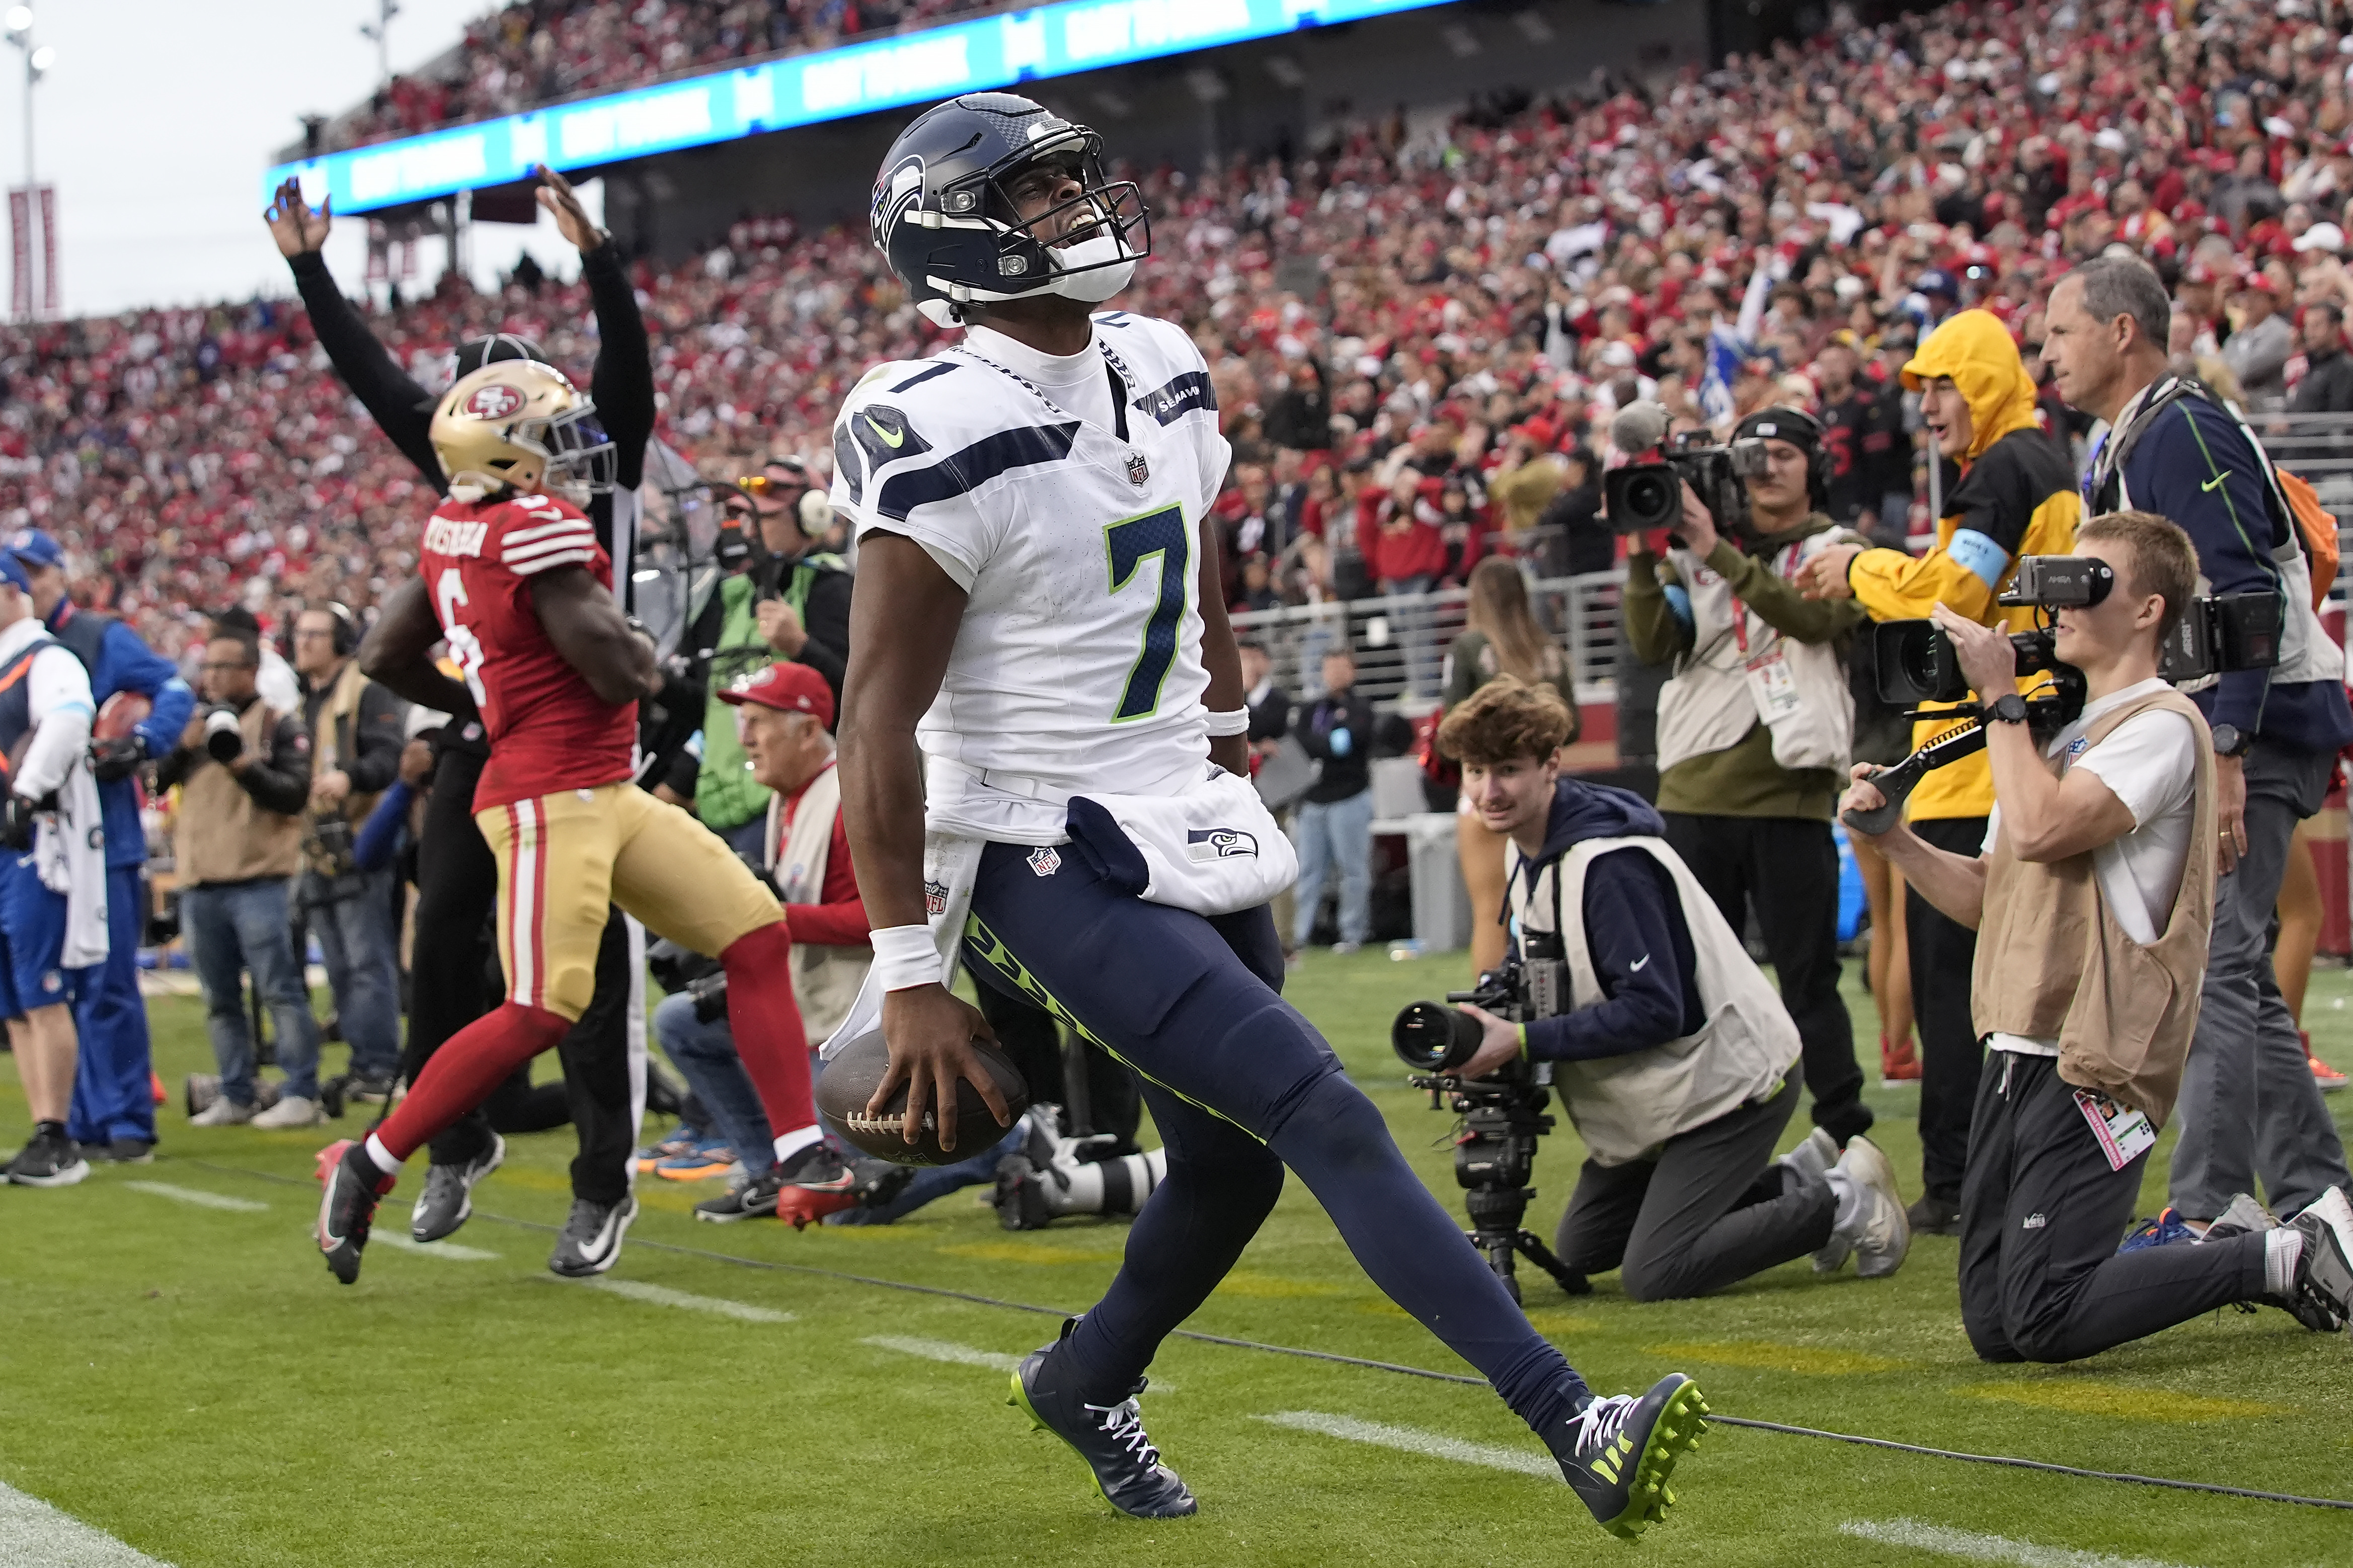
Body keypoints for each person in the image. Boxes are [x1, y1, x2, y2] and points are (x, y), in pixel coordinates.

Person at [832, 92, 1705, 1536]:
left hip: (1184, 796)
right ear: (959, 241)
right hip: (1036, 833)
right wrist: (911, 970)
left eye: (1078, 185)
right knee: (1317, 1100)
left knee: (1232, 1162)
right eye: (1040, 199)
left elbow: (1201, 575)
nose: (1082, 214)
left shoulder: (1162, 363)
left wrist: (1231, 742)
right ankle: (1573, 1418)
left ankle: (1084, 1377)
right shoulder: (932, 422)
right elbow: (876, 715)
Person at [314, 360, 841, 1287]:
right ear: (508, 455)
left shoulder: (460, 527)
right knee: (539, 1009)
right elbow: (619, 672)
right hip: (546, 800)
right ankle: (374, 1160)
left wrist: (479, 698)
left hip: (604, 786)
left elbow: (386, 650)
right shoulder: (534, 533)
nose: (576, 453)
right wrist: (643, 657)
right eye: (555, 438)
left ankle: (800, 1147)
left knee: (754, 933)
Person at [1839, 512, 2353, 1357]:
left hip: (2092, 1055)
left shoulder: (2159, 724)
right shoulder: (2061, 738)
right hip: (2020, 1042)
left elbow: (2042, 832)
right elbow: (1985, 897)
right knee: (1998, 1326)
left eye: (2088, 582)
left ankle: (2275, 1253)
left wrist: (2001, 700)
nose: (2061, 603)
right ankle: (2225, 1244)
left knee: (2043, 1314)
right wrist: (1891, 838)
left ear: (2149, 609)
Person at [269, 168, 657, 1273]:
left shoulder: (594, 458)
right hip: (500, 739)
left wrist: (599, 261)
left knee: (583, 986)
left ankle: (601, 1179)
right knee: (441, 945)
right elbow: (376, 380)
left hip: (590, 748)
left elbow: (625, 387)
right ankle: (452, 1136)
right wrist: (308, 268)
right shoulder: (468, 486)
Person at [2042, 254, 2353, 1228]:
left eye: (2058, 330)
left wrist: (2223, 747)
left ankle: (2208, 1206)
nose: (2044, 351)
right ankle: (2317, 1195)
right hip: (2244, 721)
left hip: (2255, 725)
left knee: (2214, 966)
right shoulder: (2140, 431)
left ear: (2120, 331)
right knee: (2238, 976)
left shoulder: (2176, 427)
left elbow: (2245, 595)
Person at [1439, 676, 1909, 1298]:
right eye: (1474, 771)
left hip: (1729, 1082)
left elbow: (1656, 1010)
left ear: (1551, 765)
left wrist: (1521, 1040)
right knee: (1587, 1247)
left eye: (1507, 770)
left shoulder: (1607, 864)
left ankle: (1844, 1199)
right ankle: (1795, 1182)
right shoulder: (1526, 851)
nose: (1488, 790)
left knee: (1658, 1270)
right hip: (1665, 1091)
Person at [1798, 309, 2083, 1234]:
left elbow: (1950, 602)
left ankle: (1961, 1185)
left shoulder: (2008, 468)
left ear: (1987, 379)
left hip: (1984, 764)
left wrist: (1857, 567)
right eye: (1917, 388)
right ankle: (1993, 1176)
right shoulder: (2033, 461)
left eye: (1942, 383)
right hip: (2009, 750)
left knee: (1958, 985)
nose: (1925, 406)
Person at [1624, 406, 1875, 1147]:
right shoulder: (1697, 551)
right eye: (1751, 457)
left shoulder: (1841, 548)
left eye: (1782, 456)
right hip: (1694, 793)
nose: (1764, 469)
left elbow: (1809, 618)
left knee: (1809, 983)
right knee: (1702, 985)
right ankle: (1710, 1141)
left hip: (1789, 797)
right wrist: (1645, 554)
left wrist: (1714, 550)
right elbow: (1650, 643)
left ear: (1815, 468)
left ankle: (1845, 1132)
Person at [662, 660, 873, 1226]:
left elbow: (881, 918)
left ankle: (1009, 1148)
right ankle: (768, 1168)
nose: (744, 739)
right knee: (681, 1021)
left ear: (807, 730)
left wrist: (771, 917)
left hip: (852, 1018)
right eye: (742, 723)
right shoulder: (787, 794)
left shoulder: (849, 795)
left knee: (847, 1207)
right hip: (806, 999)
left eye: (757, 722)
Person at [12, 528, 194, 1163]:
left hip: (101, 836)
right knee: (47, 987)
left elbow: (174, 688)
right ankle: (73, 1119)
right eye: (18, 574)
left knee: (105, 978)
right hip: (31, 844)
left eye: (35, 572)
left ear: (59, 575)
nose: (27, 584)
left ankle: (123, 1122)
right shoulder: (15, 652)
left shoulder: (97, 636)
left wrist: (143, 743)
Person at [161, 623, 323, 1130]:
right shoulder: (193, 728)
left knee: (280, 989)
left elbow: (293, 794)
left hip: (259, 879)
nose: (210, 677)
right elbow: (154, 781)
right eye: (205, 667)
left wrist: (244, 767)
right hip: (200, 878)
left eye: (222, 667)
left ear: (251, 671)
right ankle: (235, 1091)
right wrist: (183, 749)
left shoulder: (279, 724)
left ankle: (301, 1090)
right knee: (218, 999)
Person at [681, 458, 852, 857]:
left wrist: (801, 646)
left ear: (811, 517)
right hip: (717, 804)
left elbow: (856, 701)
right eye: (743, 517)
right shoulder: (729, 596)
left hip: (784, 804)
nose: (748, 529)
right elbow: (709, 707)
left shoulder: (831, 589)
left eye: (765, 517)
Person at [0, 550, 102, 1187]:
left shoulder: (45, 658)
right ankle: (41, 1127)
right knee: (13, 1002)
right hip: (7, 847)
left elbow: (70, 722)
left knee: (41, 990)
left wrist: (26, 792)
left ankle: (57, 1134)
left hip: (34, 846)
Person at [292, 602, 407, 1109]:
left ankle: (380, 1065)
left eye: (316, 634)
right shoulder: (306, 700)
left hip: (361, 839)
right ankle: (364, 1061)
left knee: (366, 960)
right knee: (339, 965)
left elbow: (390, 756)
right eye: (300, 634)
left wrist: (350, 777)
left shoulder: (366, 688)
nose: (305, 643)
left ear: (342, 642)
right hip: (317, 843)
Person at [1444, 557, 1570, 978]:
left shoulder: (1469, 646)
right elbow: (1575, 724)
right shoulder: (1549, 649)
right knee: (1552, 907)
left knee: (1490, 913)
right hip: (1545, 792)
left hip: (1486, 796)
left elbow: (1451, 726)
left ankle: (1491, 1009)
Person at [1293, 648, 1376, 955]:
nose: (1335, 675)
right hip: (1313, 800)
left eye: (1341, 668)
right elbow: (1303, 742)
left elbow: (1349, 743)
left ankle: (1352, 933)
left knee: (1352, 869)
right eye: (1329, 669)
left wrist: (1324, 744)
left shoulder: (1362, 708)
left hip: (1350, 797)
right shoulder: (1311, 709)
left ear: (1352, 671)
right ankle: (1300, 934)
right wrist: (1329, 743)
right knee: (1308, 870)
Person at [1237, 639, 1299, 957]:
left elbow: (1275, 733)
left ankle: (1284, 939)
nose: (1245, 665)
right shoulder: (1232, 696)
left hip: (1273, 795)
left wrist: (1259, 745)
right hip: (1239, 797)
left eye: (1250, 658)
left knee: (1278, 864)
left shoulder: (1279, 701)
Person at [2220, 274, 2293, 412]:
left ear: (2271, 301)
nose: (2249, 302)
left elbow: (2245, 371)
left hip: (2270, 411)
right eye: (2246, 296)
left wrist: (2223, 376)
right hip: (2242, 408)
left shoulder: (2279, 332)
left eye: (2256, 297)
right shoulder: (2238, 335)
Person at [2287, 301, 2353, 415]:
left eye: (2316, 326)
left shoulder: (2344, 369)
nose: (2309, 333)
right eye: (2307, 326)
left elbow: (2337, 420)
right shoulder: (2313, 365)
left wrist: (2292, 427)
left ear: (2335, 328)